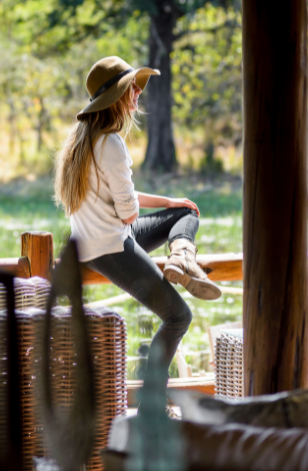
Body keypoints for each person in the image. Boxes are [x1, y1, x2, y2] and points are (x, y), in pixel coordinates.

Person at [53, 56, 222, 389]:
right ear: (116, 98)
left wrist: (169, 202)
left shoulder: (82, 139)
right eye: (132, 87)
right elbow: (129, 213)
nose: (138, 93)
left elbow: (119, 199)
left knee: (184, 211)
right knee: (178, 316)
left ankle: (181, 257)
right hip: (113, 247)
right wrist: (130, 208)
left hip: (95, 242)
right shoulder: (112, 144)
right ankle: (151, 399)